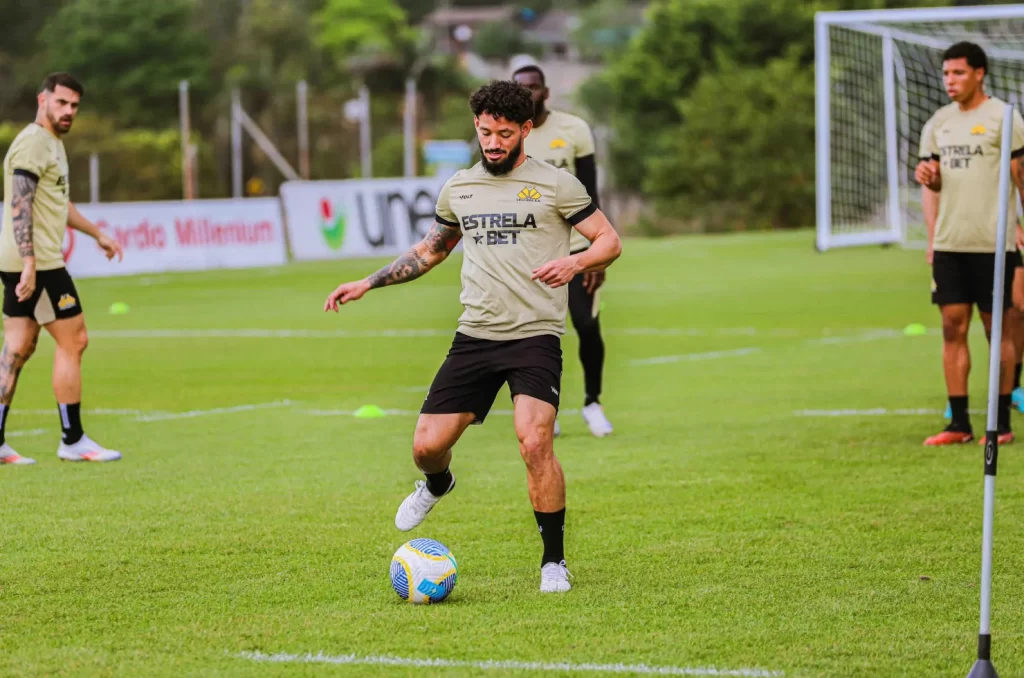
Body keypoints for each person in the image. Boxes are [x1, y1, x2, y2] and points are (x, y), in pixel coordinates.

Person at [324, 80, 622, 592]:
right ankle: (438, 484)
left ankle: (554, 562)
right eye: (485, 132)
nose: (492, 143)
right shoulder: (459, 187)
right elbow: (430, 251)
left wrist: (574, 262)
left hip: (534, 337)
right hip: (475, 336)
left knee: (534, 442)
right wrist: (368, 282)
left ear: (526, 130)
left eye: (504, 133)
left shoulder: (556, 185)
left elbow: (609, 240)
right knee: (425, 448)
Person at [0, 72, 124, 465]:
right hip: (38, 261)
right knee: (75, 340)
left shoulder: (52, 144)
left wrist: (96, 233)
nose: (69, 111)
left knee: (18, 347)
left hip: (19, 260)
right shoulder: (34, 143)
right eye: (62, 103)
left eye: (74, 106)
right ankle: (72, 439)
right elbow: (20, 203)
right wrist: (32, 264)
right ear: (43, 100)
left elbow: (58, 204)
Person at [916, 43, 1024, 446]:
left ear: (979, 73)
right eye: (946, 74)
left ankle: (1000, 424)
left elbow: (1020, 174)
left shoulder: (1004, 118)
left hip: (994, 243)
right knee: (950, 327)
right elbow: (937, 179)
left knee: (998, 330)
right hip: (950, 244)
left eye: (958, 73)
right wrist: (930, 177)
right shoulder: (938, 123)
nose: (950, 81)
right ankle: (958, 424)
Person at [512, 63, 613, 438]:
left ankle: (592, 403)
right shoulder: (509, 135)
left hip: (574, 251)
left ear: (546, 92)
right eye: (520, 88)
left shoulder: (573, 130)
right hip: (527, 256)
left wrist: (596, 251)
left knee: (586, 325)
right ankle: (544, 412)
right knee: (533, 336)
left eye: (534, 87)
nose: (528, 94)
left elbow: (590, 193)